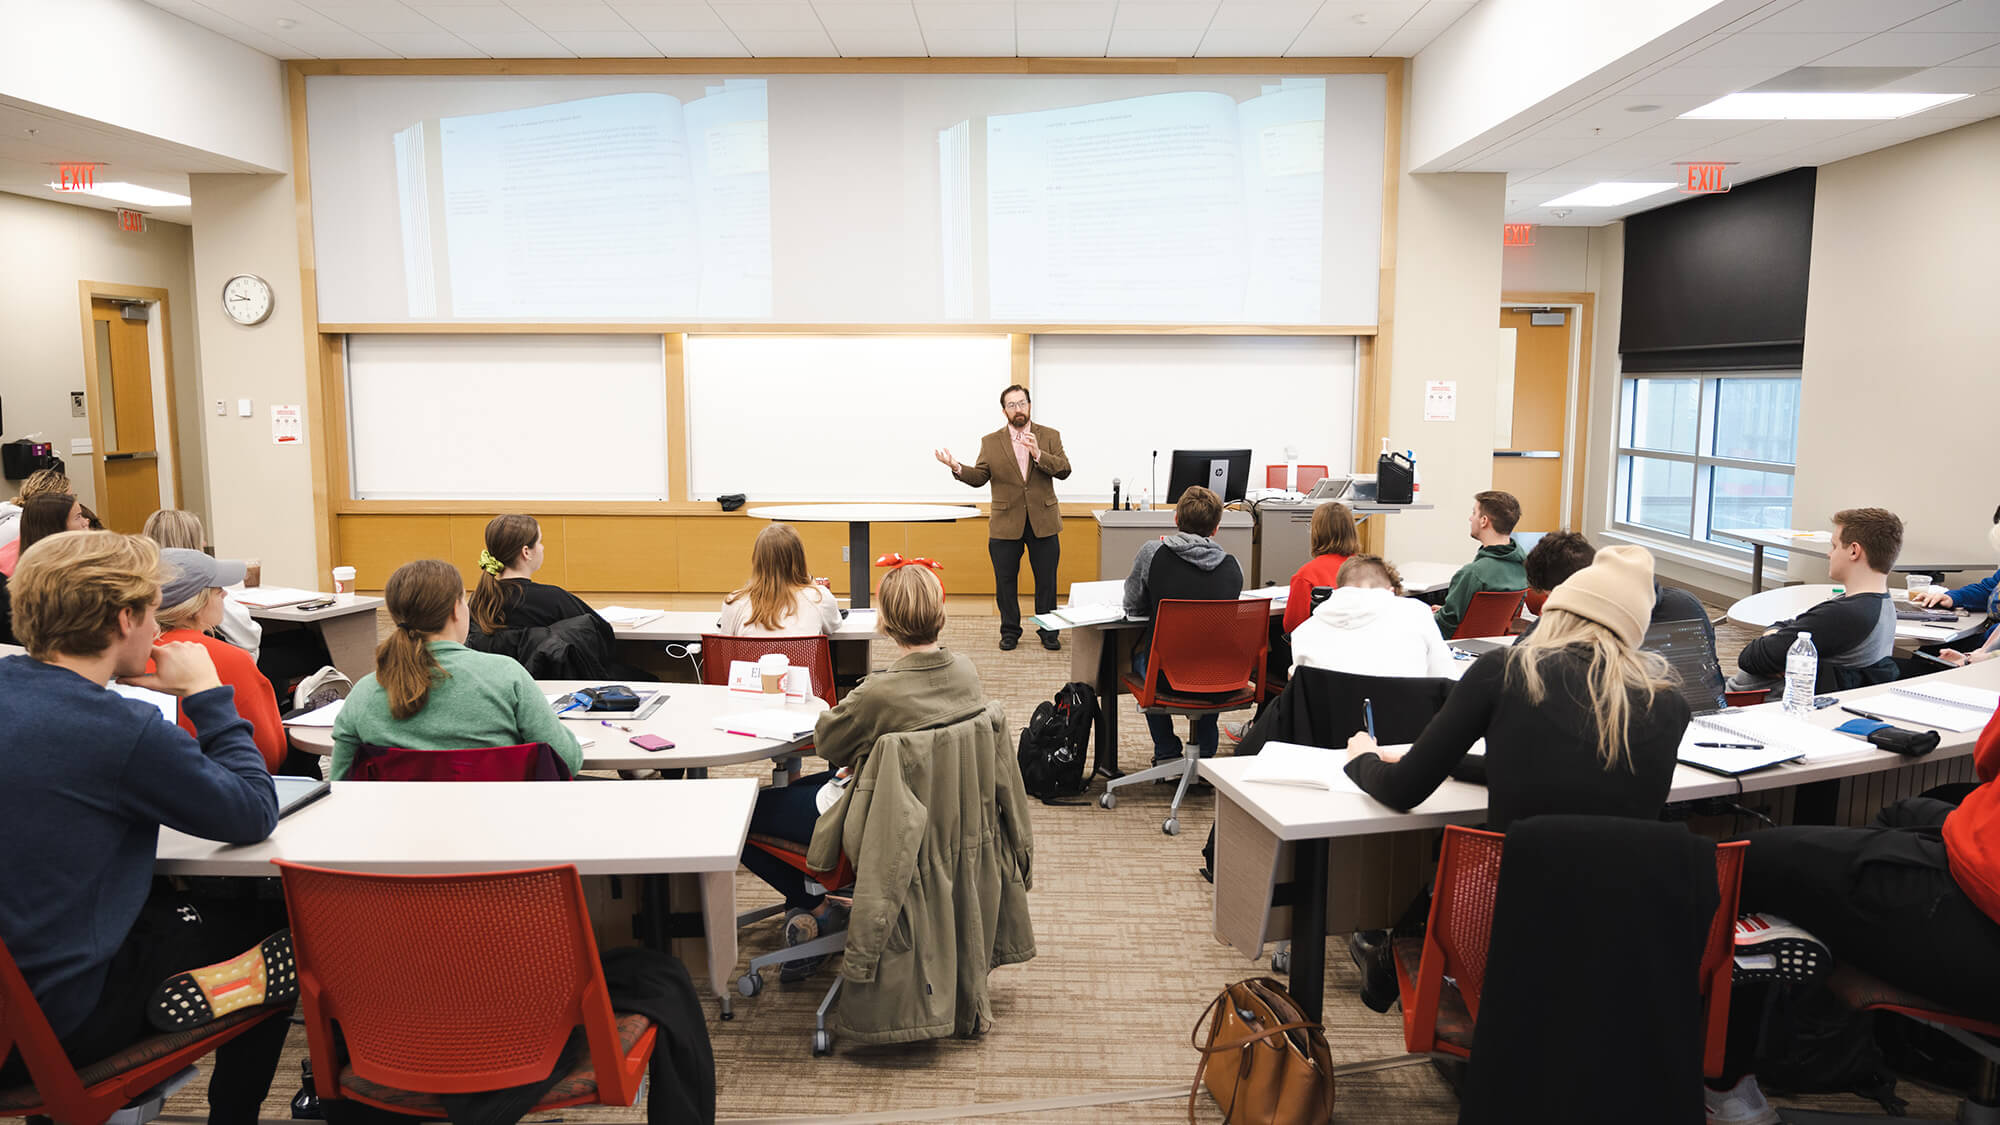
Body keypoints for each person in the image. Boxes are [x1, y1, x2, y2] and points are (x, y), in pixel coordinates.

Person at [0, 530, 290, 1125]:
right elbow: (253, 810)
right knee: (279, 934)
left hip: (11, 1016)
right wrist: (208, 694)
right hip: (54, 1029)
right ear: (125, 618)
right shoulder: (119, 730)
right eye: (155, 613)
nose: (160, 631)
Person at [1705, 702, 2000, 1125]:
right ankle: (1828, 1039)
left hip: (1980, 907)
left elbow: (1990, 756)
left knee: (1745, 865)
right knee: (1903, 815)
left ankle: (1725, 1090)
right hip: (1979, 873)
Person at [738, 562, 980, 980]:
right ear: (940, 613)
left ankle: (817, 906)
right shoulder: (967, 674)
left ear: (884, 619)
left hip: (871, 819)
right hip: (938, 816)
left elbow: (828, 745)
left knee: (739, 813)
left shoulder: (877, 692)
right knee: (811, 788)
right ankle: (821, 897)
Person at [1345, 545, 1688, 826]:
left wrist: (1364, 758)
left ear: (1558, 610)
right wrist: (1445, 761)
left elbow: (1402, 791)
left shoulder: (1508, 671)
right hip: (1636, 903)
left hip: (1520, 898)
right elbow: (1566, 775)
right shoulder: (1670, 702)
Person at [330, 558, 582, 781]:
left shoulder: (365, 693)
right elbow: (567, 760)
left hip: (400, 831)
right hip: (502, 828)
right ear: (455, 610)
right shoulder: (507, 675)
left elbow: (341, 784)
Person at [936, 384, 1071, 651]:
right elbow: (980, 478)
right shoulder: (991, 441)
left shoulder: (1049, 436)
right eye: (1012, 405)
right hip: (1005, 522)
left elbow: (1065, 469)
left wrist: (1039, 454)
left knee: (1047, 580)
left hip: (1043, 520)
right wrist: (957, 467)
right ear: (1004, 411)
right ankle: (1010, 630)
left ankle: (1048, 631)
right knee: (1005, 581)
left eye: (1022, 403)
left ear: (1029, 406)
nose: (1018, 409)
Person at [1123, 485, 1245, 765]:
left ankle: (1166, 752)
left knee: (1141, 659)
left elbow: (1132, 605)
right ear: (1216, 528)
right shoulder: (1232, 566)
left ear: (1176, 519)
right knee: (1211, 654)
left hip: (1167, 677)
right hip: (1224, 678)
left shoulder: (1152, 553)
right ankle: (1205, 755)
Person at [1728, 508, 1900, 697]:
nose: (1829, 554)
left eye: (1834, 546)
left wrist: (1775, 638)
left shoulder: (1845, 614)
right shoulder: (1880, 603)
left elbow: (1751, 657)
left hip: (1749, 704)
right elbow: (1787, 625)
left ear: (1853, 551)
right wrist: (1778, 636)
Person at [155, 548, 287, 772]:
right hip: (225, 787)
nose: (225, 594)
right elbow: (270, 753)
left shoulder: (128, 659)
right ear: (195, 604)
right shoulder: (230, 659)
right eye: (217, 590)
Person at [1289, 554, 1456, 678]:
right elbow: (1446, 679)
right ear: (1391, 591)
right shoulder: (1418, 614)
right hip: (1405, 722)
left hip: (1330, 724)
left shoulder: (1304, 633)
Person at [142, 508, 263, 658]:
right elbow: (250, 639)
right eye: (200, 538)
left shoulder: (140, 587)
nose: (205, 542)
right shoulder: (203, 591)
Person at [1912, 502, 2000, 665]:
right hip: (1985, 647)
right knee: (1927, 653)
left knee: (1925, 662)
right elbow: (1987, 588)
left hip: (1990, 658)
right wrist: (1952, 597)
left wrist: (1969, 658)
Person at [719, 523, 842, 636]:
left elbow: (725, 649)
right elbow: (834, 625)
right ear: (800, 559)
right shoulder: (819, 598)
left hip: (752, 661)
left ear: (756, 560)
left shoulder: (734, 602)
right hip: (799, 661)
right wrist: (810, 581)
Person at [1434, 490, 1528, 637]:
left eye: (1474, 513)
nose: (1470, 518)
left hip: (1456, 648)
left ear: (1484, 521)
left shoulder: (1473, 573)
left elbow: (1445, 625)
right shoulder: (1523, 567)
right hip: (1493, 647)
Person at [1282, 501, 1361, 634]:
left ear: (1316, 532)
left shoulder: (1307, 575)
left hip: (1320, 649)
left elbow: (1293, 627)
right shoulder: (1370, 570)